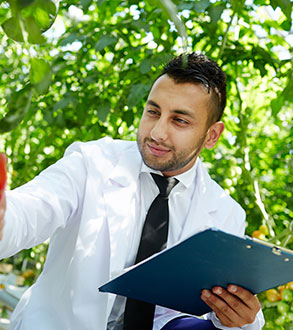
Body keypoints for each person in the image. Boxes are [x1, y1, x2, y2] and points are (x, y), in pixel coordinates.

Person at [0, 53, 265, 330]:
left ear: (212, 135)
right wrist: (4, 216)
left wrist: (243, 319)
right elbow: (30, 210)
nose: (157, 132)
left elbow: (219, 312)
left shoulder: (226, 214)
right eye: (153, 112)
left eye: (180, 121)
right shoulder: (90, 162)